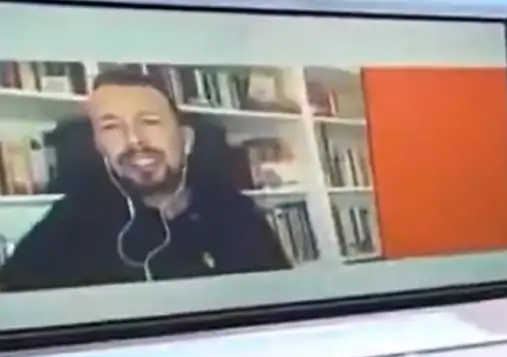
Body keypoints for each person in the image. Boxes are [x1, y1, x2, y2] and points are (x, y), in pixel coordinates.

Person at [0, 69, 292, 292]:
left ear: (186, 140)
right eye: (111, 127)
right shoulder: (71, 219)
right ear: (99, 147)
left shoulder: (235, 213)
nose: (134, 140)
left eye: (150, 122)